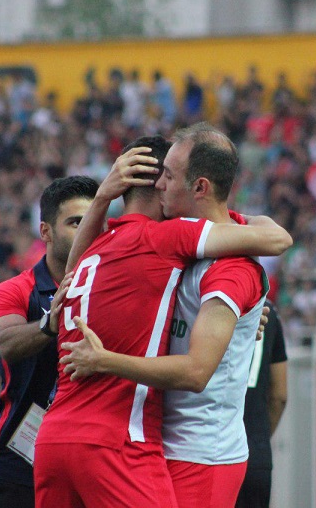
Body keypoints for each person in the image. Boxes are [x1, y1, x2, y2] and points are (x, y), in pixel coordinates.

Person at [35, 134, 291, 507]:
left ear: (199, 187)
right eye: (160, 175)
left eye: (169, 176)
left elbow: (196, 371)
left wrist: (104, 360)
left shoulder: (226, 264)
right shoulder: (165, 241)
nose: (161, 184)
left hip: (199, 453)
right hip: (143, 440)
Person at [0, 176, 99, 507]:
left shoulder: (111, 288)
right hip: (20, 465)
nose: (87, 231)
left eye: (93, 222)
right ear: (46, 232)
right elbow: (7, 342)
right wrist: (50, 323)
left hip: (90, 462)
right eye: (75, 222)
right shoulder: (16, 290)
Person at [235, 300, 288, 508]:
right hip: (254, 451)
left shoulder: (206, 299)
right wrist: (260, 438)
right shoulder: (270, 311)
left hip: (207, 450)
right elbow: (280, 395)